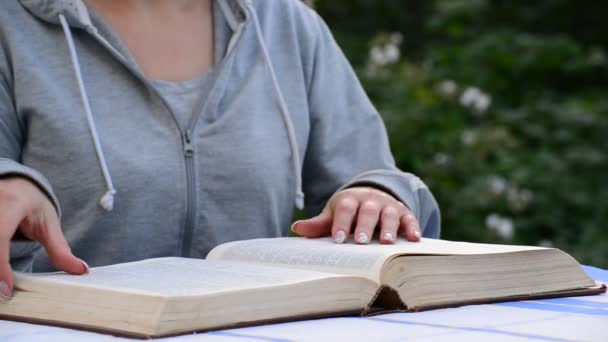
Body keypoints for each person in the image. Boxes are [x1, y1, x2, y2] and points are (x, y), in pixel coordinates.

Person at [0, 0, 440, 300]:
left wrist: (376, 196)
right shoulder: (11, 26)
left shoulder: (285, 23)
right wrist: (10, 183)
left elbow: (369, 175)